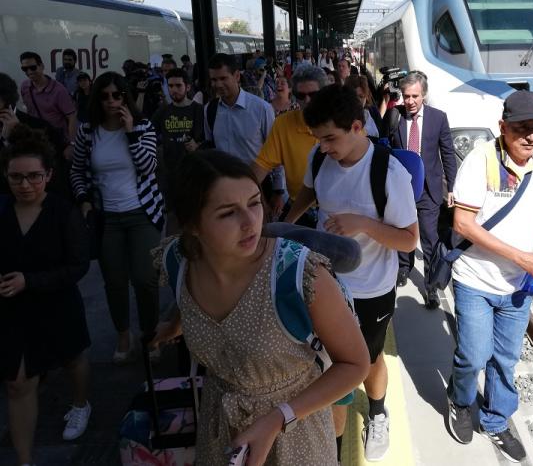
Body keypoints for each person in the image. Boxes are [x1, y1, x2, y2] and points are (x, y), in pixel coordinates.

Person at [149, 149, 370, 466]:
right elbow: (190, 302)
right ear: (192, 225)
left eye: (254, 203)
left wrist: (280, 417)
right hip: (220, 431)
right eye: (228, 213)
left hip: (296, 435)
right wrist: (175, 322)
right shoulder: (177, 262)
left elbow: (355, 364)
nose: (250, 222)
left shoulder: (296, 274)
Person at [285, 85, 418, 462]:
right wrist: (284, 225)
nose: (324, 147)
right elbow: (308, 193)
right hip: (324, 283)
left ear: (358, 127)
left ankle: (377, 411)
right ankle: (334, 447)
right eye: (319, 139)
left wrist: (363, 223)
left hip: (370, 289)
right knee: (330, 365)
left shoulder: (387, 173)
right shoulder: (319, 157)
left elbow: (409, 240)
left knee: (370, 360)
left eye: (331, 138)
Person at [445, 90, 533, 462]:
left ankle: (495, 420)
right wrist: (520, 257)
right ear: (503, 127)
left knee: (505, 360)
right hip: (475, 279)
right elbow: (462, 223)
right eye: (523, 128)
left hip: (517, 287)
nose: (531, 136)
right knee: (474, 357)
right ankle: (460, 400)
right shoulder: (479, 162)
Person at [0, 125, 92, 466]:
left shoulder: (63, 212)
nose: (25, 185)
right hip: (12, 310)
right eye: (16, 177)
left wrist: (31, 281)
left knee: (73, 358)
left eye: (33, 177)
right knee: (18, 382)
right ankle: (25, 461)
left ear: (49, 174)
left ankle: (81, 403)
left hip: (57, 303)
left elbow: (78, 265)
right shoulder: (1, 211)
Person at [70, 71, 164, 363]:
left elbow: (148, 167)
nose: (111, 101)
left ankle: (151, 334)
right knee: (113, 280)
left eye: (117, 95)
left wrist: (130, 131)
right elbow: (77, 170)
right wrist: (84, 201)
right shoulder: (88, 131)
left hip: (142, 213)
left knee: (145, 278)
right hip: (107, 217)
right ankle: (123, 334)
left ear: (126, 96)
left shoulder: (144, 126)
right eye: (105, 96)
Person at [386, 71, 457, 309]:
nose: (410, 101)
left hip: (429, 190)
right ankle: (403, 268)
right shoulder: (394, 116)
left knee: (429, 238)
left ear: (424, 95)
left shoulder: (438, 118)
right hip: (402, 189)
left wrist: (452, 188)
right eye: (406, 96)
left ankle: (431, 286)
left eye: (415, 96)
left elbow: (447, 154)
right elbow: (386, 150)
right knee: (403, 231)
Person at [252, 64, 327, 225]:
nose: (307, 101)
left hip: (337, 213)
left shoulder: (341, 121)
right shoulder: (283, 124)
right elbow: (260, 167)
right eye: (301, 95)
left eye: (313, 94)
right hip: (300, 213)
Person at [151, 68, 204, 234]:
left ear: (187, 87)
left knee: (197, 217)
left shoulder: (198, 110)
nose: (174, 90)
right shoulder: (164, 111)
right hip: (171, 174)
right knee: (173, 218)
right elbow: (147, 130)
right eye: (171, 86)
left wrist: (198, 146)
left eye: (178, 86)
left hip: (194, 174)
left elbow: (208, 139)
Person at [19, 52, 77, 162]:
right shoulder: (25, 87)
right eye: (25, 69)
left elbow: (72, 117)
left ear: (41, 66)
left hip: (57, 142)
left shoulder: (58, 90)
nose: (29, 72)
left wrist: (72, 144)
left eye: (32, 67)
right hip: (36, 142)